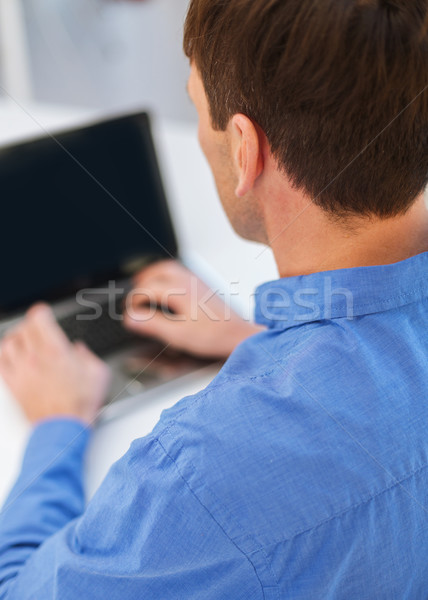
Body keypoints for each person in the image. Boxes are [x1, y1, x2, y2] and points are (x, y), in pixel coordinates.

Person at [0, 0, 428, 597]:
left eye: (198, 108)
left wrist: (59, 423)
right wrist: (253, 341)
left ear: (245, 149)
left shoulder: (201, 477)